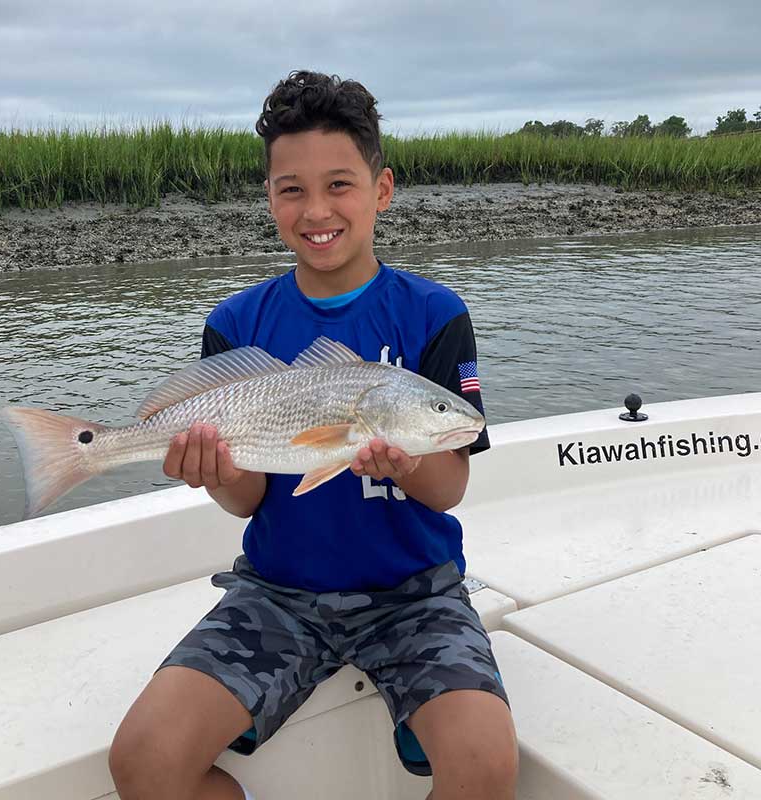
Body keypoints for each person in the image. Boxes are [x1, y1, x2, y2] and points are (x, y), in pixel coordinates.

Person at [108, 70, 518, 800]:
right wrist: (215, 470)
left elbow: (451, 485)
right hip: (276, 592)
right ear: (269, 198)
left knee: (486, 765)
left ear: (382, 189)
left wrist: (407, 466)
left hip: (416, 595)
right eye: (291, 188)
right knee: (143, 759)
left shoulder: (434, 314)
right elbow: (246, 499)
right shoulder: (236, 323)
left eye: (340, 185)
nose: (317, 209)